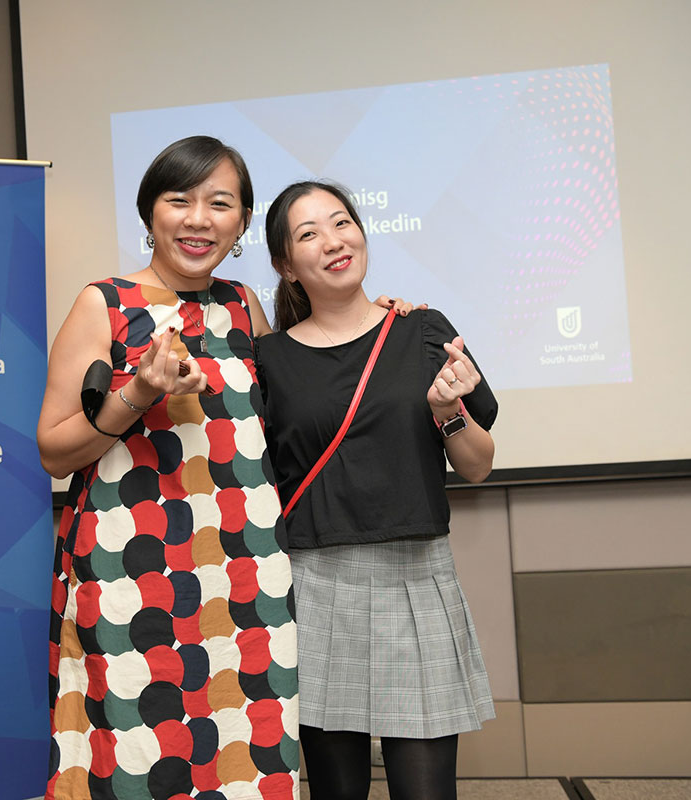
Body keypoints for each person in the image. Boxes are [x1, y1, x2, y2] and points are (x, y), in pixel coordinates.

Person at [37, 136, 303, 800]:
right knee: (139, 748)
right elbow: (53, 450)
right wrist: (139, 391)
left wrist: (387, 319)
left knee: (249, 747)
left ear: (242, 223)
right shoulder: (105, 303)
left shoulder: (243, 305)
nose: (198, 219)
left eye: (220, 203)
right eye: (179, 200)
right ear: (150, 212)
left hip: (244, 569)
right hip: (135, 568)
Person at [256, 180, 497, 800]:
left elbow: (477, 466)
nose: (334, 241)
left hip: (415, 576)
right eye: (309, 233)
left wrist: (448, 411)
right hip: (315, 585)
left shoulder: (423, 331)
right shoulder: (267, 360)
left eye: (342, 223)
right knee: (336, 791)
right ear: (286, 266)